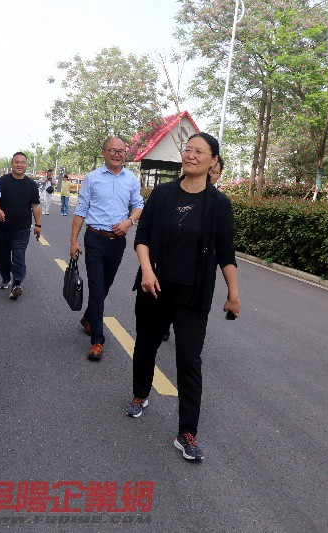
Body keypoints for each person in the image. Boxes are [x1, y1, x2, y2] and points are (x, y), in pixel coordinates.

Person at [125, 132, 240, 462]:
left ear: (213, 161)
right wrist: (147, 271)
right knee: (146, 344)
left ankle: (187, 432)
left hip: (193, 294)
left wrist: (233, 293)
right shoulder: (162, 194)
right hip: (154, 287)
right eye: (188, 149)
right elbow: (143, 237)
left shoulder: (219, 204)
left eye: (199, 151)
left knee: (189, 360)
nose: (191, 155)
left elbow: (226, 252)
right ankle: (140, 394)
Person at [70, 137, 144, 360]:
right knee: (96, 288)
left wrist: (129, 222)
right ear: (104, 153)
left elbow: (139, 206)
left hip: (117, 242)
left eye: (121, 151)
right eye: (112, 150)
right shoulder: (92, 178)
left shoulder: (131, 179)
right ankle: (97, 340)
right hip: (94, 238)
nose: (116, 154)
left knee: (105, 287)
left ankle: (88, 317)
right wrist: (73, 240)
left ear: (125, 155)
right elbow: (81, 209)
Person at [162, 155, 226, 343]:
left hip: (200, 270)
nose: (212, 175)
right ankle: (164, 323)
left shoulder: (219, 202)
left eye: (216, 172)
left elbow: (225, 246)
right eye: (211, 171)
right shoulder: (172, 194)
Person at [0, 152, 42, 299]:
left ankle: (17, 283)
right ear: (12, 164)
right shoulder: (2, 182)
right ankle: (5, 278)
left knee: (18, 255)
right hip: (3, 228)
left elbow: (35, 205)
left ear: (26, 165)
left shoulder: (31, 185)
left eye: (23, 162)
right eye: (17, 162)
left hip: (22, 229)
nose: (20, 165)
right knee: (3, 256)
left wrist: (38, 224)